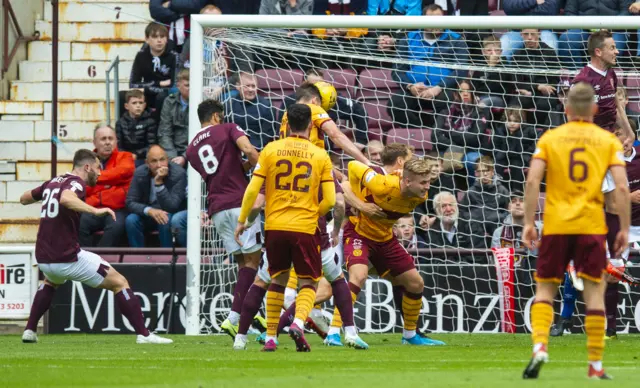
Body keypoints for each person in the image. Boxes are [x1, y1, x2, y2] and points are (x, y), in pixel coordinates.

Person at [521, 82, 630, 380]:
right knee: (595, 292)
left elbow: (532, 183)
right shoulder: (607, 140)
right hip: (592, 224)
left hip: (556, 224)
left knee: (546, 288)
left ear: (566, 109)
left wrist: (529, 222)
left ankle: (540, 347)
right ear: (595, 109)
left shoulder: (551, 137)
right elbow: (621, 186)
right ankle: (595, 364)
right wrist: (625, 227)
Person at [19, 149, 171, 344]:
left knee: (51, 282)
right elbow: (65, 198)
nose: (100, 173)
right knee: (120, 282)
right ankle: (144, 335)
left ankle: (30, 330)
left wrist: (45, 193)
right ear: (87, 167)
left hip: (44, 258)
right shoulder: (76, 183)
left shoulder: (53, 182)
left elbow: (24, 198)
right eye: (98, 168)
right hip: (67, 257)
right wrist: (95, 210)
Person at [234, 103, 336, 352]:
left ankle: (270, 338)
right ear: (311, 125)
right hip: (304, 226)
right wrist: (313, 215)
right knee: (309, 282)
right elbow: (331, 200)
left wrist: (242, 220)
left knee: (276, 280)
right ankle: (298, 323)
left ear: (287, 123)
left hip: (275, 225)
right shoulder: (320, 155)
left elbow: (252, 189)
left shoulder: (271, 149)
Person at [332, 146, 446, 346]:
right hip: (359, 233)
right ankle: (334, 332)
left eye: (428, 182)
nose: (428, 187)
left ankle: (410, 335)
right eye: (424, 183)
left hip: (385, 239)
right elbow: (352, 165)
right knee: (358, 276)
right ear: (408, 181)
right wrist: (361, 205)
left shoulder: (421, 194)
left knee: (415, 283)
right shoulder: (381, 183)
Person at [185, 99, 263, 339]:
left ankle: (249, 315)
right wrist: (265, 172)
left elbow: (220, 170)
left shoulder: (190, 150)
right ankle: (234, 318)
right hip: (240, 203)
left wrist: (241, 166)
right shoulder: (228, 128)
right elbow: (249, 150)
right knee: (254, 263)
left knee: (243, 265)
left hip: (217, 208)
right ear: (217, 116)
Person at [387, 4, 469, 129]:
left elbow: (461, 71)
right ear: (423, 20)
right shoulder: (408, 39)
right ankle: (420, 130)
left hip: (442, 90)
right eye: (432, 19)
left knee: (448, 102)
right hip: (414, 90)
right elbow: (397, 71)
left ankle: (435, 133)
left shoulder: (456, 40)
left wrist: (438, 87)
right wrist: (410, 86)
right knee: (395, 104)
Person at [279, 82, 370, 165]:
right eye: (320, 105)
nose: (321, 108)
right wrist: (366, 161)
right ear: (314, 101)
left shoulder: (286, 114)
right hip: (309, 166)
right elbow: (335, 135)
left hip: (288, 162)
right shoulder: (313, 108)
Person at [572, 30, 634, 140]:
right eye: (612, 48)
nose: (617, 52)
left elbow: (617, 107)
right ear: (598, 52)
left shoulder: (611, 73)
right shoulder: (582, 81)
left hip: (609, 138)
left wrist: (630, 134)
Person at [79, 125, 134, 247]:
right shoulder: (85, 162)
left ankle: (100, 259)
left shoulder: (125, 157)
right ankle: (86, 258)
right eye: (103, 139)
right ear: (95, 142)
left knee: (116, 225)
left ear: (116, 141)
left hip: (117, 209)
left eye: (111, 138)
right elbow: (83, 188)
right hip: (93, 208)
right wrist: (111, 184)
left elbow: (123, 172)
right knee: (79, 222)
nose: (108, 142)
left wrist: (94, 180)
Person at [284, 68, 369, 146]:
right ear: (305, 83)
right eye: (312, 86)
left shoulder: (333, 99)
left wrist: (361, 141)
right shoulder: (290, 100)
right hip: (296, 149)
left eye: (319, 84)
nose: (316, 89)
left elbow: (360, 112)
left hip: (326, 153)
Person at [125, 145, 187, 248]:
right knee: (131, 220)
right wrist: (149, 210)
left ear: (168, 160)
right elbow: (130, 202)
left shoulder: (179, 174)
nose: (159, 165)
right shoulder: (139, 172)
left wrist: (159, 183)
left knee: (164, 219)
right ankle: (137, 258)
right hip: (148, 214)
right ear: (147, 163)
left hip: (168, 213)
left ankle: (167, 258)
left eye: (162, 160)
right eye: (154, 161)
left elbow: (172, 206)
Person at [129, 23, 179, 111]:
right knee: (123, 96)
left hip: (165, 94)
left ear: (167, 39)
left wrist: (147, 87)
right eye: (155, 37)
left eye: (162, 37)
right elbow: (133, 83)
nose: (159, 40)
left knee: (161, 97)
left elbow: (174, 84)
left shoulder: (174, 56)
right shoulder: (141, 55)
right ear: (147, 39)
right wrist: (158, 83)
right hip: (146, 93)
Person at [225, 72, 278, 150]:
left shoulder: (266, 106)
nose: (250, 89)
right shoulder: (229, 105)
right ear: (237, 86)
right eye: (247, 86)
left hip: (257, 151)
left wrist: (249, 150)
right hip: (233, 149)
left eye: (253, 86)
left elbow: (267, 136)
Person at [492, 107, 538, 191]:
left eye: (516, 121)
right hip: (504, 156)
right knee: (497, 165)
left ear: (521, 121)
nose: (512, 124)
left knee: (516, 166)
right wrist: (499, 154)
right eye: (509, 120)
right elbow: (495, 145)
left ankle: (517, 190)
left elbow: (539, 138)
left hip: (519, 157)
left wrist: (528, 153)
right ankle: (497, 188)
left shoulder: (528, 130)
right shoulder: (500, 130)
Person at [116, 90, 158, 167]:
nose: (138, 106)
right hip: (125, 157)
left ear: (144, 105)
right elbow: (118, 145)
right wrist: (127, 155)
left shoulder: (150, 122)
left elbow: (151, 145)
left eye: (140, 103)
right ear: (126, 106)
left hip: (144, 158)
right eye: (134, 103)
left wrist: (137, 155)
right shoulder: (120, 123)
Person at [158, 69, 190, 167]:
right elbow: (164, 132)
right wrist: (172, 157)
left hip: (195, 152)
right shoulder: (169, 102)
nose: (191, 88)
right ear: (178, 86)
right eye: (187, 85)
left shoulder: (202, 102)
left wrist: (185, 157)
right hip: (173, 152)